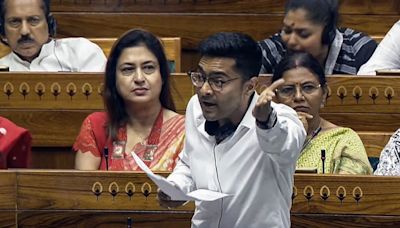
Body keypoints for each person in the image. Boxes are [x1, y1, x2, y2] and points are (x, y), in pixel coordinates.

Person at [158, 32, 306, 227]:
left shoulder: (281, 119)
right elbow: (189, 162)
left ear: (250, 86)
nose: (204, 90)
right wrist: (176, 187)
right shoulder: (196, 107)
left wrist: (265, 121)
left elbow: (286, 147)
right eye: (201, 77)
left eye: (218, 81)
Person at [73, 29, 185, 171]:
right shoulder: (97, 127)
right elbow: (84, 190)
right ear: (114, 79)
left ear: (162, 76)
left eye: (148, 68)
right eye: (128, 70)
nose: (139, 78)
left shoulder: (185, 131)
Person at [272, 52, 372, 174]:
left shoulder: (342, 140)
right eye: (287, 90)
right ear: (275, 99)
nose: (298, 97)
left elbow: (349, 189)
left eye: (308, 87)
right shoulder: (260, 140)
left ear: (324, 94)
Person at [259, 0, 377, 75]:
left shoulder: (360, 50)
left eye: (303, 34)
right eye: (287, 31)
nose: (291, 41)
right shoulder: (273, 49)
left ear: (328, 34)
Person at [0, 0, 106, 71]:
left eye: (33, 20)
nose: (24, 31)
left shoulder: (81, 52)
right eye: (14, 22)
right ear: (2, 29)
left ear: (50, 23)